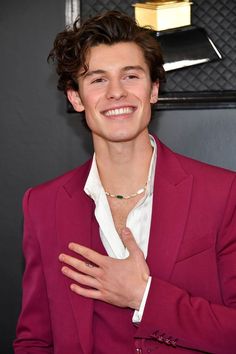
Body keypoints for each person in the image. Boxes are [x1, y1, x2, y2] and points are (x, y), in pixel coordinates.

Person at [14, 10, 236, 354]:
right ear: (76, 98)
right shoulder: (42, 205)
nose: (116, 92)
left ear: (153, 90)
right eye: (98, 80)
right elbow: (35, 339)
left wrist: (143, 296)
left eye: (130, 76)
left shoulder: (223, 193)